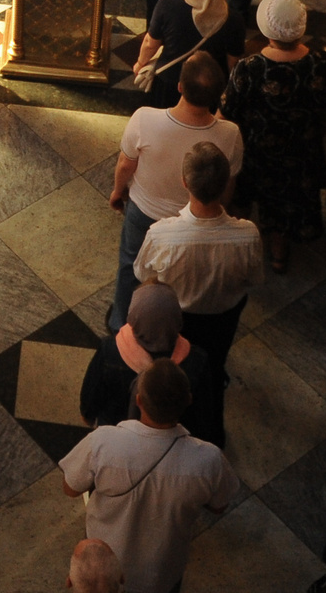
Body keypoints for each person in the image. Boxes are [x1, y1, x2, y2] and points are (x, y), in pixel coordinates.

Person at [59, 359, 239, 593]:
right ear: (189, 400)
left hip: (104, 565)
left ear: (139, 401)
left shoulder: (103, 441)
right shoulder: (209, 459)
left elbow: (70, 488)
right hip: (162, 573)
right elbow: (219, 506)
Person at [109, 50, 242, 332]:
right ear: (218, 95)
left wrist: (118, 192)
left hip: (145, 212)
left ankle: (121, 324)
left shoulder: (144, 119)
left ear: (180, 87)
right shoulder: (230, 134)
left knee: (130, 265)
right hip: (194, 221)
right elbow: (228, 183)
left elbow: (125, 164)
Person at [228, 0, 326, 272]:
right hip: (300, 153)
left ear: (267, 30)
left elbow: (226, 113)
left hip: (255, 154)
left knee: (241, 202)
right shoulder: (319, 63)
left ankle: (237, 248)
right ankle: (278, 254)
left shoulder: (250, 68)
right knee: (284, 204)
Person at [134, 140, 261, 378]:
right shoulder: (248, 235)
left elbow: (143, 275)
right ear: (226, 183)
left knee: (174, 369)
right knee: (215, 363)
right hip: (224, 318)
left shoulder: (161, 235)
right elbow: (254, 279)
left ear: (184, 182)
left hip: (177, 320)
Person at [79, 282, 224, 447]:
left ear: (133, 315)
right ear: (178, 318)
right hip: (173, 444)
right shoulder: (197, 360)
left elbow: (91, 394)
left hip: (114, 436)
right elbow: (204, 414)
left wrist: (88, 414)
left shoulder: (110, 350)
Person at [129, 0, 231, 112]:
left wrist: (140, 64)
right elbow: (232, 62)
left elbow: (150, 43)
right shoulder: (233, 19)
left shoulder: (168, 6)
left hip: (168, 84)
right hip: (209, 89)